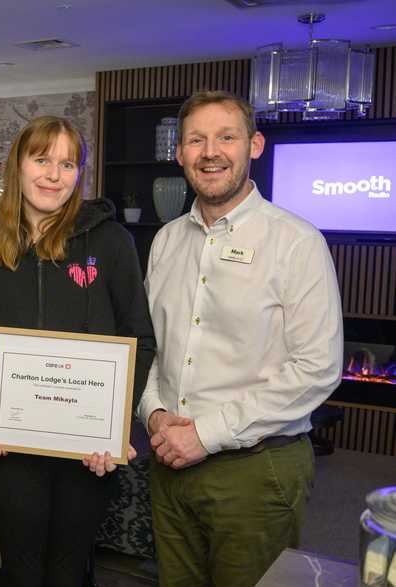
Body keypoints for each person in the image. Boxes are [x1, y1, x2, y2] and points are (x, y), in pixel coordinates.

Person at [135, 90, 343, 587]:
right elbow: (152, 348)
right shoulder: (165, 242)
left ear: (254, 145)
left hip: (257, 469)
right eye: (196, 140)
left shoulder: (296, 242)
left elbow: (317, 368)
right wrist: (154, 412)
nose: (210, 152)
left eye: (226, 137)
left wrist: (206, 435)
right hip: (169, 464)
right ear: (180, 153)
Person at [0, 116, 156, 585]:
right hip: (12, 444)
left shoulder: (110, 242)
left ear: (79, 174)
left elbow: (139, 337)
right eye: (42, 159)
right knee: (22, 571)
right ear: (18, 165)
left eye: (68, 164)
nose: (53, 174)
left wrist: (117, 423)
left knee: (70, 571)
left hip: (86, 446)